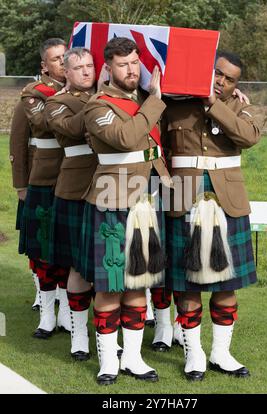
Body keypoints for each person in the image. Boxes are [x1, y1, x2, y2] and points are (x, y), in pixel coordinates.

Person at [78, 37, 172, 385]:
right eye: (123, 64)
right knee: (110, 284)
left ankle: (133, 358)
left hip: (147, 198)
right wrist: (155, 100)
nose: (131, 70)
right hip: (111, 200)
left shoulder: (145, 101)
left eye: (135, 62)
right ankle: (108, 360)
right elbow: (125, 138)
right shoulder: (96, 106)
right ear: (108, 68)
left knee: (139, 281)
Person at [163, 51, 260, 381]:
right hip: (182, 198)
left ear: (236, 84)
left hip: (227, 202)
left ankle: (222, 352)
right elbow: (156, 147)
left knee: (226, 282)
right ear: (207, 69)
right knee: (186, 283)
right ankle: (194, 354)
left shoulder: (239, 106)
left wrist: (213, 103)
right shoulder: (174, 104)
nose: (221, 81)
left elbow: (249, 137)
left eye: (229, 79)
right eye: (217, 73)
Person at [44, 47, 98, 360]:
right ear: (66, 72)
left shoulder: (111, 95)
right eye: (78, 68)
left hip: (110, 186)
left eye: (91, 66)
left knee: (109, 265)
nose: (86, 72)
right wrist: (102, 97)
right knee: (77, 264)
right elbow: (73, 129)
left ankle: (109, 330)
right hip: (75, 189)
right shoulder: (56, 102)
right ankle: (79, 333)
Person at [20, 38, 71, 339]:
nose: (63, 63)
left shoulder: (85, 92)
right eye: (56, 59)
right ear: (44, 65)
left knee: (66, 250)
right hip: (45, 178)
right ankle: (47, 314)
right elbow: (41, 123)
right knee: (43, 250)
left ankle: (66, 312)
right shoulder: (34, 93)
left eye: (67, 57)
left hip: (75, 177)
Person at [9, 100, 40, 310]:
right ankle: (42, 290)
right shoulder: (30, 99)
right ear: (44, 65)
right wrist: (21, 185)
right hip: (35, 180)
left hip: (66, 180)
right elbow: (18, 143)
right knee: (36, 242)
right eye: (55, 62)